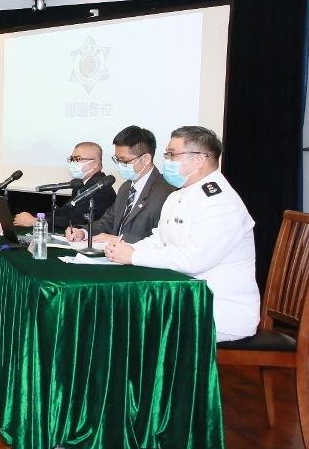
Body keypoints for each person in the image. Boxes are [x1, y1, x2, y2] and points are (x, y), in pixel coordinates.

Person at [102, 127, 260, 343]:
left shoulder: (220, 202)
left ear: (199, 160)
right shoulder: (179, 195)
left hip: (219, 308)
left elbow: (192, 260)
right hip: (185, 297)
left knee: (130, 320)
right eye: (167, 155)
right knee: (120, 310)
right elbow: (159, 240)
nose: (167, 161)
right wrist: (124, 250)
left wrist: (134, 256)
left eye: (173, 155)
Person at [66, 126, 176, 245]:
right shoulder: (126, 187)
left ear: (146, 159)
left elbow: (163, 239)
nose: (120, 165)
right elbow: (108, 222)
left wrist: (120, 239)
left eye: (124, 161)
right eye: (117, 160)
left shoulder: (167, 193)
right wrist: (83, 232)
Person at [14, 142, 117, 232]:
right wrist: (37, 217)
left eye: (78, 159)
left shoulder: (100, 189)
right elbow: (64, 211)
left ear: (94, 164)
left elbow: (76, 220)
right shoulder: (81, 184)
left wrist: (36, 221)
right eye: (72, 159)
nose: (73, 163)